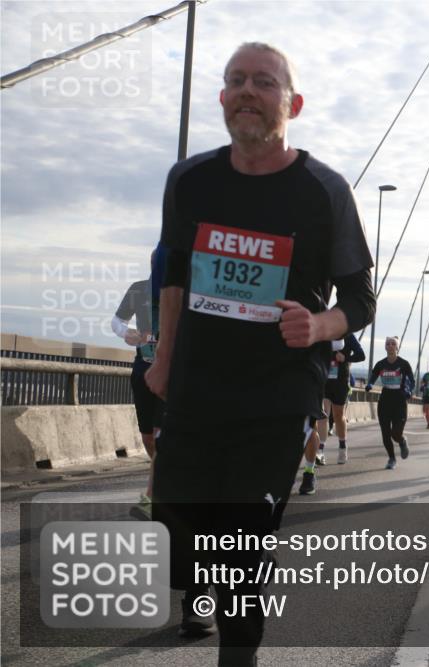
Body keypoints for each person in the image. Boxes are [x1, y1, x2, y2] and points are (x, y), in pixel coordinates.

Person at [144, 42, 375, 665]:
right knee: (177, 524)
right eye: (237, 80)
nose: (249, 90)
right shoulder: (188, 179)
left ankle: (238, 651)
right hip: (196, 381)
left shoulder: (325, 190)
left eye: (265, 83)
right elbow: (171, 272)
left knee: (244, 541)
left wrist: (321, 324)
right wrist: (163, 358)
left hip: (277, 391)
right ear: (222, 98)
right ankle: (201, 584)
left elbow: (360, 296)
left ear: (292, 104)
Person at [112, 247, 166, 519]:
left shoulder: (183, 292)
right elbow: (117, 321)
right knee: (147, 435)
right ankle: (160, 479)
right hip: (142, 367)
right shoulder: (139, 289)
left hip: (171, 372)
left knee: (160, 433)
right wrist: (128, 334)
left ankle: (152, 496)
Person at [366, 336, 415, 469]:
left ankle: (402, 440)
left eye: (393, 343)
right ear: (385, 347)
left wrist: (409, 391)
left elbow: (412, 380)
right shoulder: (381, 364)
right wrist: (369, 384)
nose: (391, 345)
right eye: (388, 343)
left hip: (399, 399)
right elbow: (373, 377)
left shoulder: (404, 364)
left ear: (397, 347)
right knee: (386, 433)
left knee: (396, 433)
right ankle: (392, 459)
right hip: (385, 398)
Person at [321, 332, 365, 465]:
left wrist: (346, 357)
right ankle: (320, 451)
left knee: (338, 415)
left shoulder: (349, 336)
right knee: (322, 414)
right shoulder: (324, 333)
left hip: (340, 381)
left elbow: (361, 355)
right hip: (324, 380)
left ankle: (342, 447)